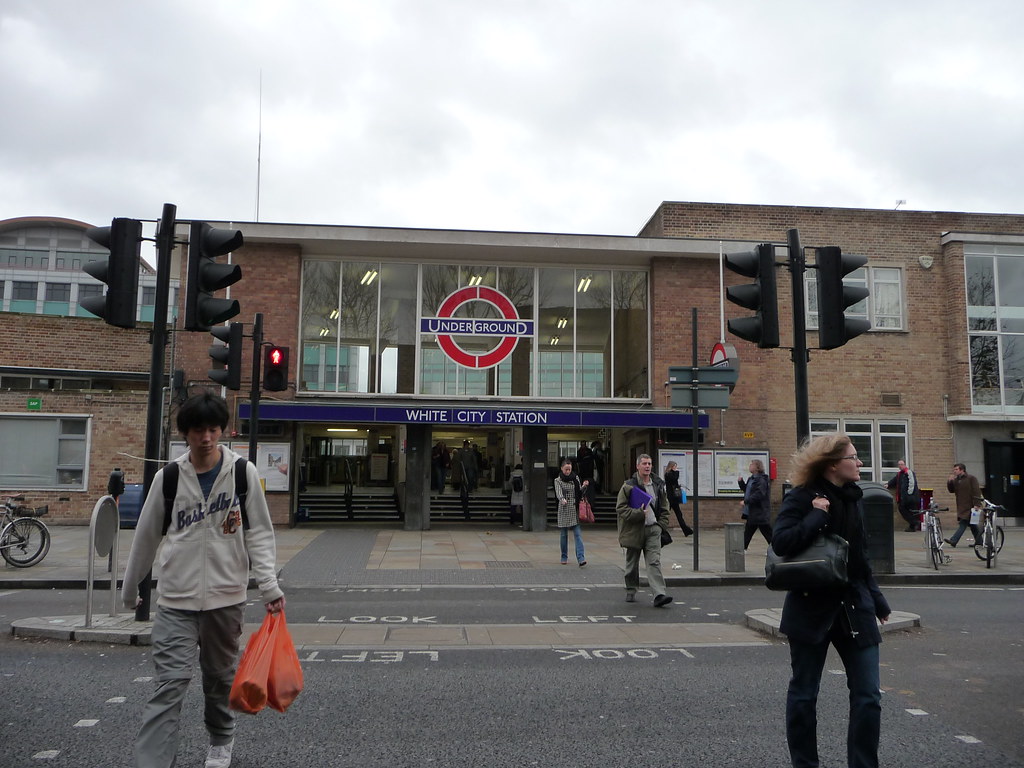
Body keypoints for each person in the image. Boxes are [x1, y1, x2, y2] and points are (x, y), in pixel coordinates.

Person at [122, 392, 285, 768]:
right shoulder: (169, 478)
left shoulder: (243, 473)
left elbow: (259, 533)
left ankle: (220, 739)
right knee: (170, 683)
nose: (207, 438)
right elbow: (147, 537)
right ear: (186, 434)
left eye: (213, 430)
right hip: (176, 600)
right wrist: (131, 591)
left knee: (218, 680)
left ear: (224, 430)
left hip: (226, 600)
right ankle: (154, 761)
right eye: (198, 431)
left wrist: (268, 586)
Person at [772, 433, 890, 768]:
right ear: (833, 463)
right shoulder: (803, 497)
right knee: (805, 695)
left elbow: (860, 556)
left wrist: (878, 601)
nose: (860, 463)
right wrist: (816, 516)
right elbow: (781, 543)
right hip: (811, 607)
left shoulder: (855, 498)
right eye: (854, 457)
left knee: (868, 696)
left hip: (855, 606)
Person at [616, 454, 673, 607]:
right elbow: (621, 508)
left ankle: (659, 594)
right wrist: (638, 514)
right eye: (644, 463)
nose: (647, 466)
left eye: (649, 463)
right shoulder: (628, 485)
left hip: (653, 529)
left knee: (654, 562)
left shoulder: (658, 485)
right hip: (634, 529)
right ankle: (631, 588)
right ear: (638, 466)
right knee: (632, 563)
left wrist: (661, 525)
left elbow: (665, 507)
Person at [553, 457, 588, 566]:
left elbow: (579, 492)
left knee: (578, 534)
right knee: (564, 534)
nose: (568, 472)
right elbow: (558, 493)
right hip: (564, 508)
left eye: (569, 469)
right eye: (566, 469)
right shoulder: (557, 480)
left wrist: (584, 486)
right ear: (562, 468)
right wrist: (562, 499)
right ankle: (564, 556)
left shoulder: (575, 478)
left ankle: (581, 558)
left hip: (574, 508)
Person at [944, 462, 983, 548]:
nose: (954, 471)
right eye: (954, 469)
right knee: (973, 525)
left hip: (970, 505)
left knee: (963, 523)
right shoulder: (957, 480)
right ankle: (980, 542)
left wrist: (977, 504)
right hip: (961, 505)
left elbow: (976, 491)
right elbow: (951, 490)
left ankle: (954, 540)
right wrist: (950, 482)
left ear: (962, 470)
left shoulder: (971, 478)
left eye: (956, 469)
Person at [738, 458, 772, 549]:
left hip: (760, 511)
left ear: (757, 467)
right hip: (752, 511)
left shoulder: (761, 480)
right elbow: (748, 491)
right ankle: (743, 548)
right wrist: (741, 483)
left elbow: (759, 494)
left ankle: (776, 549)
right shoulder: (751, 479)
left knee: (767, 532)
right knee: (748, 531)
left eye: (752, 465)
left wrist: (746, 501)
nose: (750, 466)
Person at [886, 458, 921, 531]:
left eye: (901, 464)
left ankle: (914, 524)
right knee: (903, 509)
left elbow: (912, 483)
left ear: (904, 465)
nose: (900, 466)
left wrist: (909, 493)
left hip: (910, 497)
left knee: (911, 511)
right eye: (899, 465)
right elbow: (894, 481)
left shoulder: (908, 472)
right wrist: (888, 484)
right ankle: (913, 524)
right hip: (903, 497)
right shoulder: (899, 474)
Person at [663, 460, 693, 536]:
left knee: (679, 514)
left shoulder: (671, 474)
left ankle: (686, 530)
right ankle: (661, 529)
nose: (676, 468)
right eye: (675, 466)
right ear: (671, 466)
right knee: (665, 514)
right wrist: (676, 472)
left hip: (673, 498)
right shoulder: (668, 474)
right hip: (670, 498)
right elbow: (674, 479)